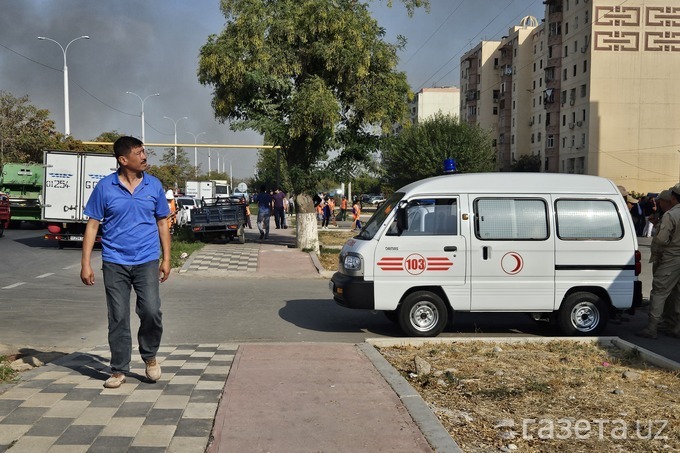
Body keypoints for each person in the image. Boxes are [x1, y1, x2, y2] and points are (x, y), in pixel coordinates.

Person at [80, 136, 171, 389]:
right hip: (114, 261)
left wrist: (166, 258)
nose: (144, 157)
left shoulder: (153, 185)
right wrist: (85, 263)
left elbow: (162, 223)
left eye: (144, 152)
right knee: (118, 317)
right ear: (123, 159)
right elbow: (92, 225)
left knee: (151, 311)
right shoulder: (105, 187)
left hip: (146, 260)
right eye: (139, 153)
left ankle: (150, 356)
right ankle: (119, 369)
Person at [637, 184, 680, 339]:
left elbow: (661, 240)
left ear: (673, 197)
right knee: (677, 294)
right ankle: (675, 326)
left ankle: (652, 327)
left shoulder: (672, 215)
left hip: (671, 257)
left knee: (659, 292)